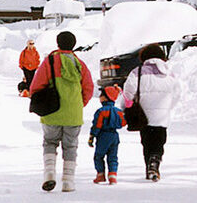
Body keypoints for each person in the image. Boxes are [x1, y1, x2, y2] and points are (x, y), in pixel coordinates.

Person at [30, 31, 94, 192]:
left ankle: (49, 173)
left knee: (50, 142)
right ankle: (68, 181)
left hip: (52, 111)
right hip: (73, 112)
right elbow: (88, 88)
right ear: (73, 44)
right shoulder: (80, 64)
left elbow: (35, 86)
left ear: (58, 43)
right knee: (70, 146)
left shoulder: (49, 61)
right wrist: (79, 104)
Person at [123, 44, 178, 182]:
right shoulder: (170, 73)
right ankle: (155, 163)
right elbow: (177, 93)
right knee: (159, 143)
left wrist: (126, 106)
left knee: (146, 142)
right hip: (162, 116)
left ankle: (149, 166)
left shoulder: (138, 72)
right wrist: (168, 107)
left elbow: (128, 91)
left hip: (143, 115)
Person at [89, 85, 126, 185]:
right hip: (114, 136)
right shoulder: (118, 111)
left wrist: (92, 135)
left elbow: (97, 125)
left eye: (101, 95)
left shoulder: (101, 111)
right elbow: (123, 123)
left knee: (99, 156)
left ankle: (100, 174)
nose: (100, 97)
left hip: (103, 136)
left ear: (106, 97)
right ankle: (112, 175)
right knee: (113, 156)